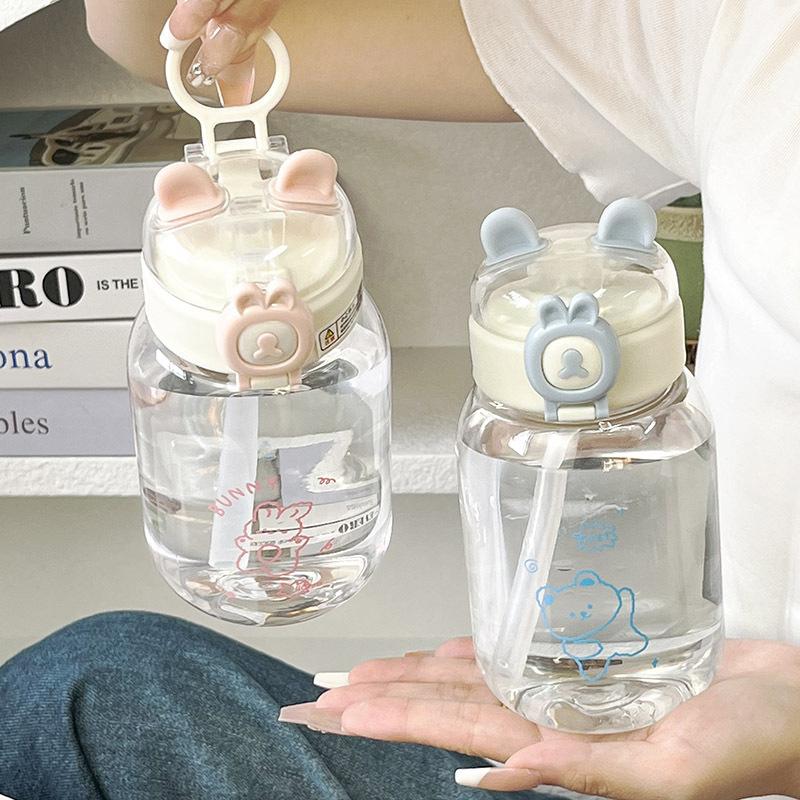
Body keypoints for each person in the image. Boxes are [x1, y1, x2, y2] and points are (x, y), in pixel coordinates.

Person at [3, 1, 800, 798]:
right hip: (679, 704)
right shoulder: (738, 28)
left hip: (708, 710)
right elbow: (155, 35)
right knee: (86, 682)